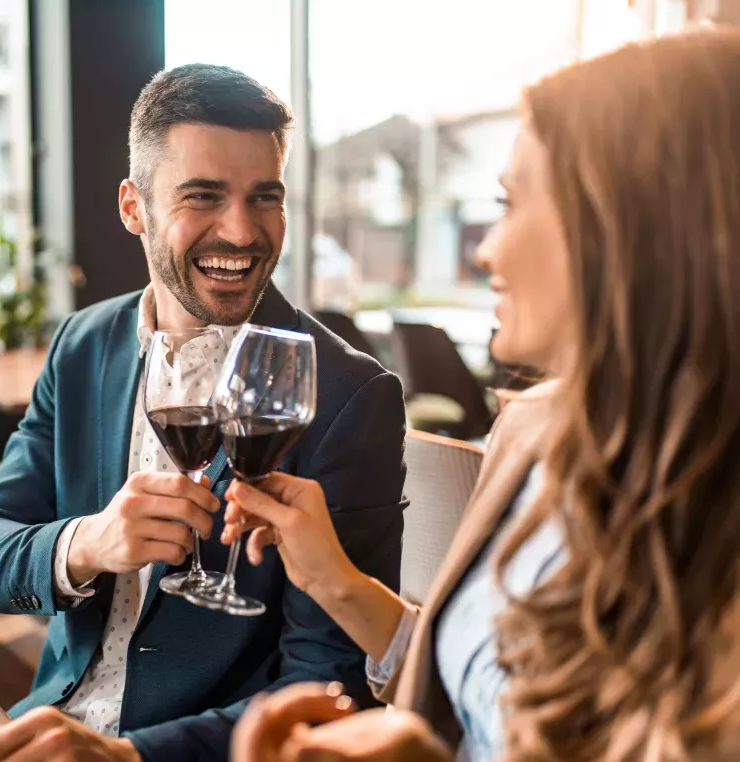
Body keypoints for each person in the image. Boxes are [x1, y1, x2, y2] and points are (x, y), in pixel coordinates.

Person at [225, 29, 740, 762]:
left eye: (512, 202)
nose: (484, 249)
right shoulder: (533, 435)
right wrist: (331, 579)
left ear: (635, 229)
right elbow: (473, 686)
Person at [0, 64, 408, 762]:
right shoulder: (82, 345)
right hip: (44, 721)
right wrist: (87, 544)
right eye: (204, 196)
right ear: (134, 207)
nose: (242, 231)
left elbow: (328, 688)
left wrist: (126, 756)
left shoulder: (350, 397)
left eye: (264, 198)